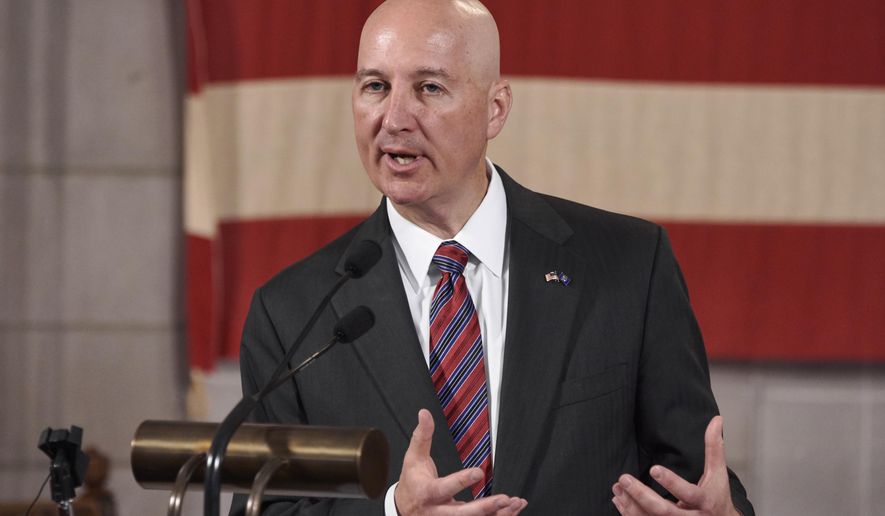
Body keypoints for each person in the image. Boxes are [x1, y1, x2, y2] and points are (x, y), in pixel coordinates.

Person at [232, 0, 754, 515]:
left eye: (429, 88)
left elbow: (698, 483)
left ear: (495, 108)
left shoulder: (628, 267)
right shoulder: (293, 314)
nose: (393, 118)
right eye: (375, 86)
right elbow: (264, 509)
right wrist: (391, 512)